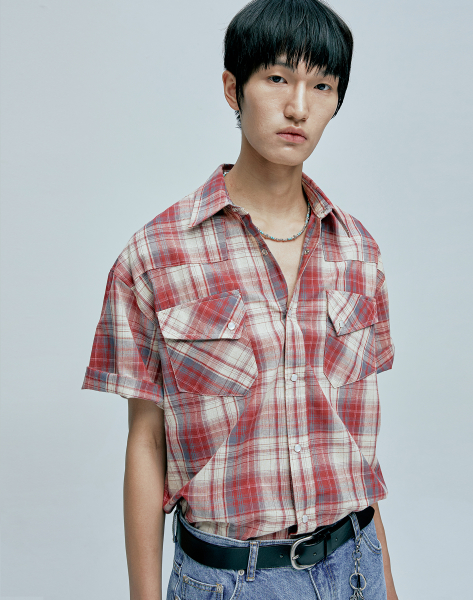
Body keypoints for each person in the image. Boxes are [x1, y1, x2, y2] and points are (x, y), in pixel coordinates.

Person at [81, 0, 399, 598]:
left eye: (322, 86)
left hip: (356, 566)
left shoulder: (359, 253)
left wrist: (386, 585)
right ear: (233, 88)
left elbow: (356, 447)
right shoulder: (155, 255)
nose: (298, 106)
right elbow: (146, 443)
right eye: (277, 78)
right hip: (230, 581)